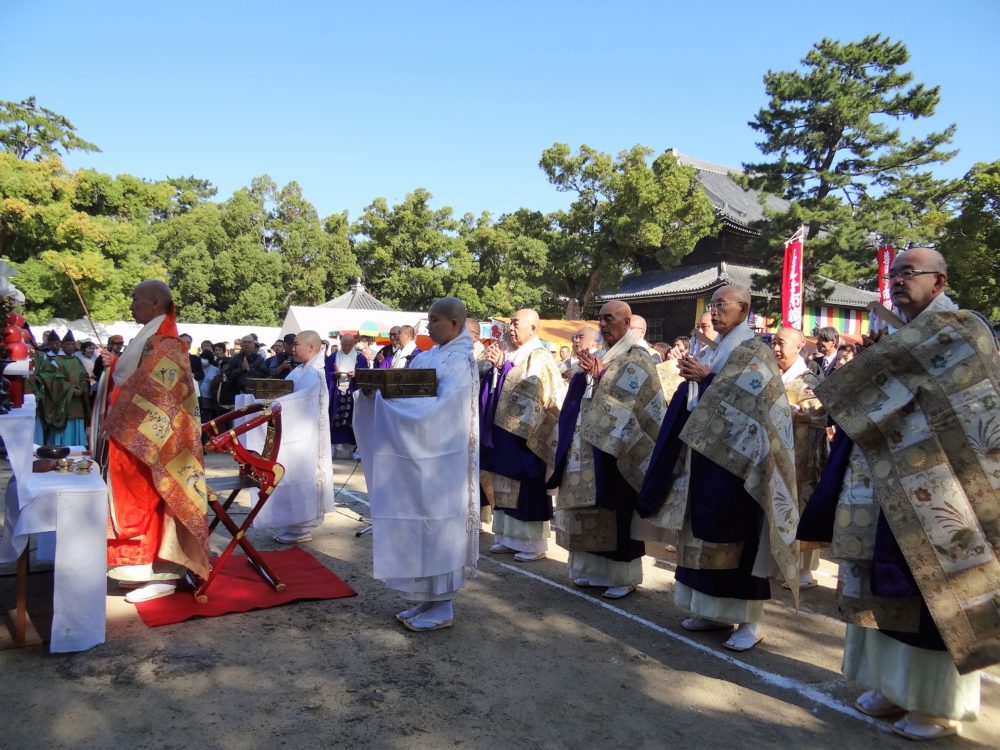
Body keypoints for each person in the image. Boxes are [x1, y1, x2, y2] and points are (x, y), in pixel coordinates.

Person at [799, 247, 998, 740]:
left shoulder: (962, 328)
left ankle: (934, 704)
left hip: (940, 480)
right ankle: (890, 685)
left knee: (932, 587)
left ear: (940, 280)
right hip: (881, 476)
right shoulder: (896, 333)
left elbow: (966, 401)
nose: (899, 281)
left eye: (910, 272)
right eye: (894, 274)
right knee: (880, 578)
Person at [636, 285, 799, 651]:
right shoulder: (719, 347)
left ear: (744, 309)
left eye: (721, 304)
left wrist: (707, 379)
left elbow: (753, 402)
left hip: (742, 464)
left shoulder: (754, 350)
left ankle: (749, 621)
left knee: (737, 537)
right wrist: (698, 380)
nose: (715, 310)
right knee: (702, 532)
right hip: (706, 455)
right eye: (712, 305)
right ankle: (710, 610)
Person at [353, 297, 479, 632]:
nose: (430, 325)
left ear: (455, 323)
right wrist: (375, 392)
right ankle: (429, 598)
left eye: (435, 320)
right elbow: (406, 389)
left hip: (443, 461)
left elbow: (443, 411)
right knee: (420, 524)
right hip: (419, 457)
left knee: (439, 525)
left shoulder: (462, 361)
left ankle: (445, 604)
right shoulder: (430, 355)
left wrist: (386, 402)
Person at [547, 301, 667, 599]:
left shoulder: (637, 357)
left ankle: (622, 575)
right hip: (589, 444)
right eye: (600, 319)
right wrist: (589, 376)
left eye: (609, 319)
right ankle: (594, 569)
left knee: (617, 505)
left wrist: (601, 377)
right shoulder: (602, 355)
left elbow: (634, 399)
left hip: (623, 446)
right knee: (592, 505)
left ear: (627, 323)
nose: (602, 324)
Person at [100, 280, 209, 603]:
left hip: (156, 442)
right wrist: (116, 365)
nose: (130, 304)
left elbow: (160, 393)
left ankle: (163, 572)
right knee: (134, 500)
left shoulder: (166, 340)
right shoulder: (152, 334)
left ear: (154, 302)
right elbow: (139, 377)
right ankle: (137, 569)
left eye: (135, 299)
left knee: (155, 500)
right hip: (139, 438)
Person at [480, 309, 564, 562]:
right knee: (503, 479)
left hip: (528, 433)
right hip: (505, 428)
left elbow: (533, 389)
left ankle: (532, 543)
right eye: (511, 324)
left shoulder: (539, 356)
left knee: (527, 484)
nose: (511, 329)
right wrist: (494, 368)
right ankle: (507, 537)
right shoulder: (515, 353)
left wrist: (503, 367)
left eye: (516, 324)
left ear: (533, 328)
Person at [254, 330, 335, 544]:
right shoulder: (299, 370)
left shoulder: (314, 374)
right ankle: (291, 523)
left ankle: (302, 525)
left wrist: (278, 405)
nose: (293, 348)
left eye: (297, 344)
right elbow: (285, 393)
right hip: (294, 431)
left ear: (311, 347)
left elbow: (303, 403)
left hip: (306, 436)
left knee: (303, 476)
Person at [770, 326, 828, 590]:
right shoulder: (772, 375)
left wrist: (795, 411)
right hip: (774, 452)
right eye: (773, 343)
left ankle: (803, 568)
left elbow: (819, 413)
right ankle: (777, 560)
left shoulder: (809, 379)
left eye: (781, 343)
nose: (776, 348)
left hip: (804, 453)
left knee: (801, 504)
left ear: (800, 345)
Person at [29, 330, 89, 446]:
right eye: (68, 344)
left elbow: (85, 376)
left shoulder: (77, 360)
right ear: (63, 345)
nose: (71, 347)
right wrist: (72, 390)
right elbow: (54, 380)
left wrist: (82, 388)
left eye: (72, 344)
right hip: (63, 400)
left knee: (77, 424)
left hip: (77, 402)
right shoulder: (54, 361)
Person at [325, 332, 369, 459]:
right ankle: (333, 447)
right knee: (334, 418)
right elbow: (326, 372)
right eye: (344, 345)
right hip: (336, 392)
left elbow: (365, 373)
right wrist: (334, 373)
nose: (346, 348)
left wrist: (357, 374)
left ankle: (352, 450)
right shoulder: (333, 357)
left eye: (349, 345)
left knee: (351, 420)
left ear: (354, 344)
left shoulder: (360, 358)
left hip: (352, 391)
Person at [217, 335, 268, 409]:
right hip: (236, 393)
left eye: (249, 342)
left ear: (253, 345)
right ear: (241, 344)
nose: (247, 344)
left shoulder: (259, 359)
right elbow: (228, 374)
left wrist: (249, 370)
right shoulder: (235, 358)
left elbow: (264, 375)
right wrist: (241, 369)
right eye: (244, 342)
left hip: (254, 395)